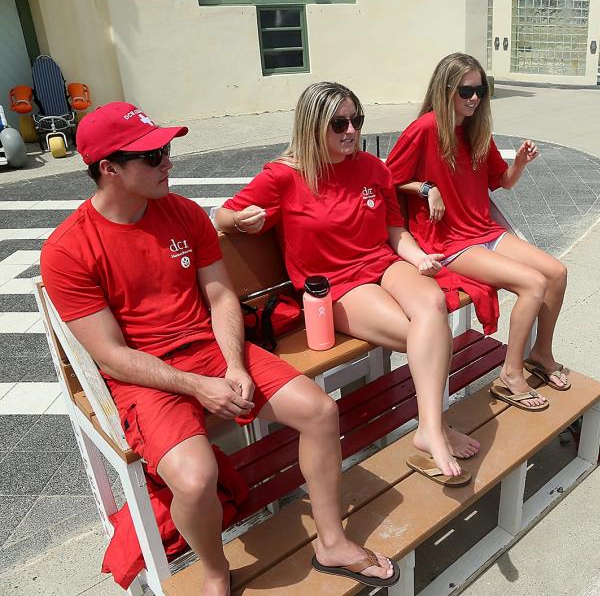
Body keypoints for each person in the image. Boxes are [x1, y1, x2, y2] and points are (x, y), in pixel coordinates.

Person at [39, 102, 398, 596]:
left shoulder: (183, 213)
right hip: (144, 375)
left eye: (166, 149)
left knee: (318, 411)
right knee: (193, 479)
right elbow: (112, 356)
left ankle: (331, 541)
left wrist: (233, 365)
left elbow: (221, 295)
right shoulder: (68, 250)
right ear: (109, 169)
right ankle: (214, 572)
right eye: (152, 155)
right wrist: (197, 386)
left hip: (212, 349)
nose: (168, 161)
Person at [215, 82, 477, 483]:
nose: (350, 131)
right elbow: (223, 216)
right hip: (336, 285)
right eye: (339, 123)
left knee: (434, 308)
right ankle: (435, 427)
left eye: (356, 120)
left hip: (383, 263)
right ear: (313, 125)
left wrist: (419, 257)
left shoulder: (374, 169)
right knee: (422, 333)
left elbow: (394, 232)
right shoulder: (283, 176)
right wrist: (238, 220)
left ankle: (430, 429)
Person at [387, 52, 569, 411]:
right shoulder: (425, 129)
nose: (474, 98)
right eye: (466, 90)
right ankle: (510, 375)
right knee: (533, 284)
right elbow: (388, 180)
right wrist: (427, 188)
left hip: (483, 230)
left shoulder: (474, 129)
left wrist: (519, 164)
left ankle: (541, 353)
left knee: (557, 273)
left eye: (481, 90)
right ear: (446, 89)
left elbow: (500, 182)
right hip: (449, 241)